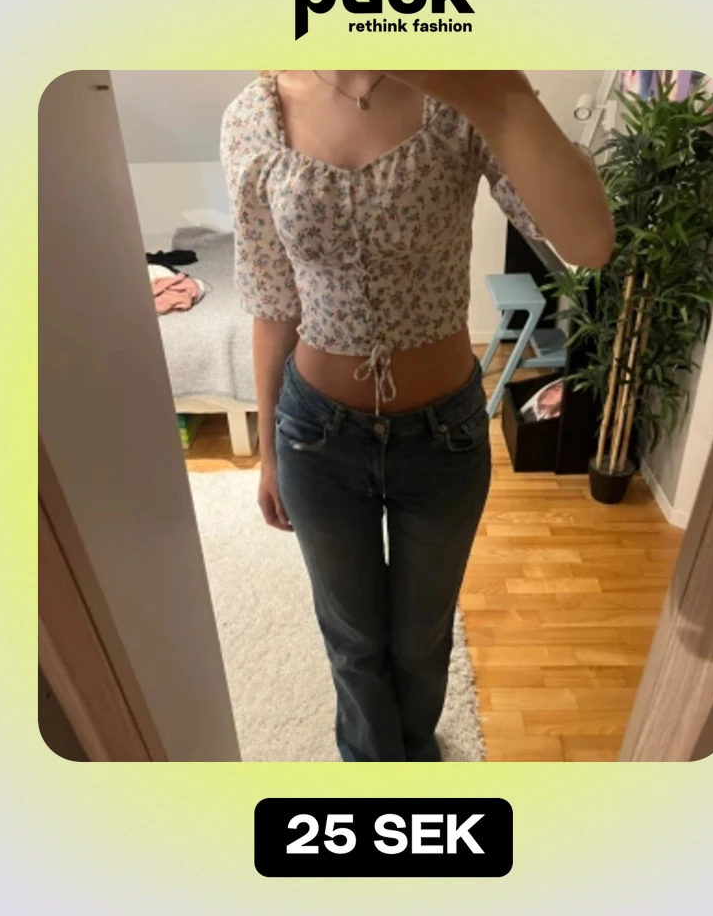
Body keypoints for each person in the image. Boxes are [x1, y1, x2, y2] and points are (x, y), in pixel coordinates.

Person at [220, 70, 613, 762]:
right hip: (316, 438)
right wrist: (269, 454)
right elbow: (270, 300)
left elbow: (588, 244)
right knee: (352, 638)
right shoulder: (254, 116)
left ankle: (415, 756)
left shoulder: (464, 95)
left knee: (421, 637)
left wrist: (501, 94)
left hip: (443, 439)